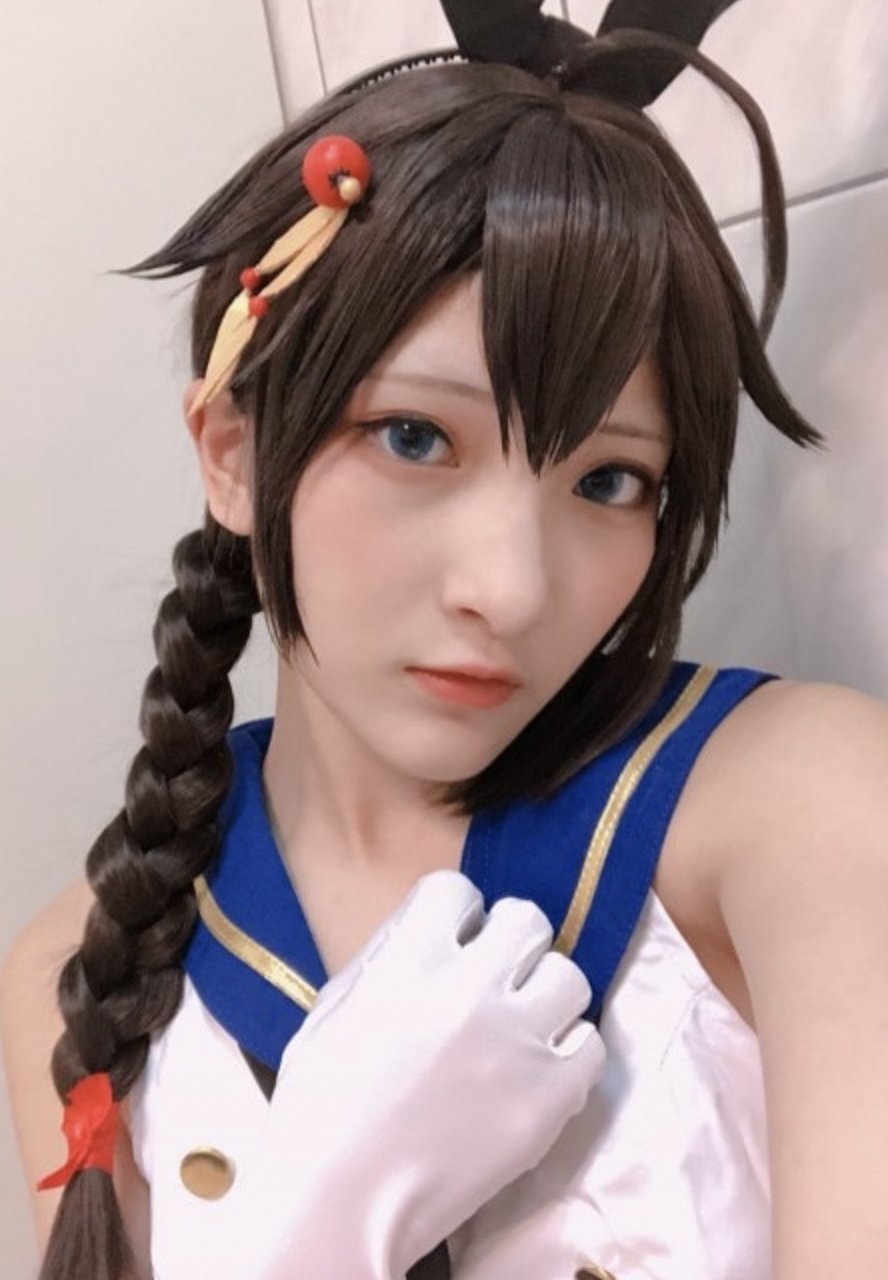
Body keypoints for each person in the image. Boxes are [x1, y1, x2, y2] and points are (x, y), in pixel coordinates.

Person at [3, 2, 888, 1278]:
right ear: (233, 450)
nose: (512, 589)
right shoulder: (84, 956)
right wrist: (323, 1225)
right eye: (416, 437)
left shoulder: (801, 808)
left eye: (610, 480)